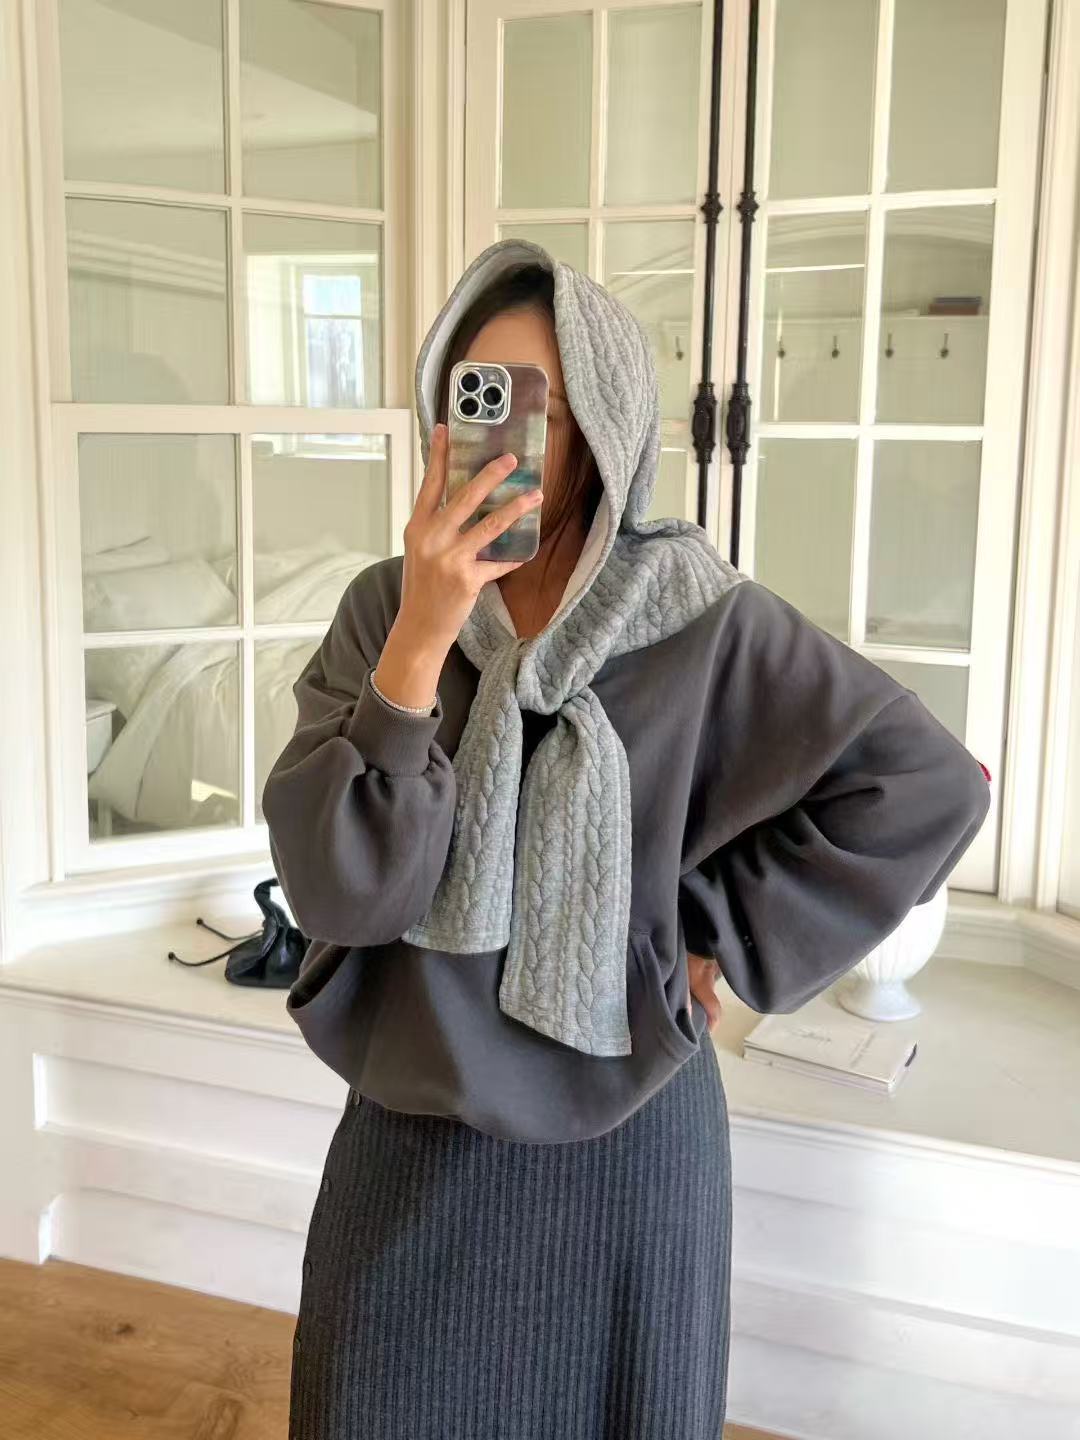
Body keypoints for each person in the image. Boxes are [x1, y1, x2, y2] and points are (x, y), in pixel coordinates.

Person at [262, 239, 991, 1439]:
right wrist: (423, 643)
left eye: (537, 406)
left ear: (604, 428)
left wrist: (713, 935)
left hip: (631, 1148)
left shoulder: (700, 620)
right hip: (412, 1135)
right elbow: (348, 898)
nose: (503, 437)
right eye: (475, 398)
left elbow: (923, 785)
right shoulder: (384, 610)